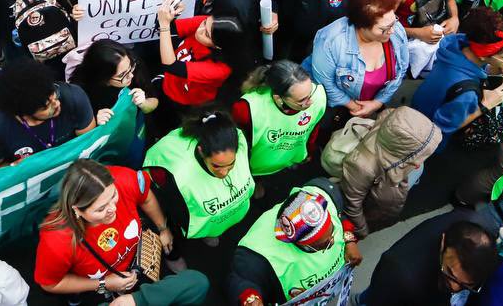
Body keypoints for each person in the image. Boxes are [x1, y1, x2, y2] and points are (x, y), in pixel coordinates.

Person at [34, 160, 208, 306]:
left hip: (138, 260)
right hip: (98, 284)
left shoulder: (123, 178)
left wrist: (163, 228)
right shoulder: (56, 239)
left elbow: (145, 196)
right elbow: (50, 284)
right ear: (77, 210)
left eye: (114, 196)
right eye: (101, 208)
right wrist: (103, 284)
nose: (113, 209)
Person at [228, 182, 360, 306]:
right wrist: (251, 298)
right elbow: (241, 280)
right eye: (324, 244)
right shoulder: (258, 255)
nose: (333, 241)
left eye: (332, 231)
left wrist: (349, 240)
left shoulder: (322, 199)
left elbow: (341, 217)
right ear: (302, 243)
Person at [411, 5, 503, 151]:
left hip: (418, 106)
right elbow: (443, 127)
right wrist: (485, 105)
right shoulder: (467, 94)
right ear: (483, 56)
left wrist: (500, 66)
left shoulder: (457, 47)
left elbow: (476, 63)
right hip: (424, 139)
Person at [144, 109, 256, 244]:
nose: (224, 173)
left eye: (230, 164)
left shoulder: (240, 142)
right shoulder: (179, 172)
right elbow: (176, 208)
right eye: (216, 166)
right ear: (201, 152)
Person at [336, 106, 441, 234]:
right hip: (372, 203)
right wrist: (361, 230)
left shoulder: (390, 121)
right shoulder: (362, 166)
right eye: (420, 155)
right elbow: (352, 205)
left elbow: (388, 111)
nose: (419, 162)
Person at [307, 0, 409, 118]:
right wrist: (354, 107)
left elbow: (401, 70)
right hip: (339, 108)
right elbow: (325, 83)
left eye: (394, 21)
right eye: (384, 29)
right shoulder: (330, 40)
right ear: (361, 26)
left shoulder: (395, 30)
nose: (393, 31)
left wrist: (377, 103)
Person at [0, 59, 96, 170]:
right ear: (23, 114)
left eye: (54, 93)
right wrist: (15, 169)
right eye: (46, 106)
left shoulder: (73, 98)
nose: (56, 104)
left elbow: (89, 143)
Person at [361, 212, 498, 306]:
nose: (455, 288)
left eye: (466, 285)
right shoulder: (400, 275)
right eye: (450, 273)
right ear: (443, 242)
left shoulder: (475, 224)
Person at [156, 1, 255, 113]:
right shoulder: (211, 24)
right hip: (170, 80)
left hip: (185, 99)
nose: (199, 30)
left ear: (218, 46)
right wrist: (171, 13)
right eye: (204, 22)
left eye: (207, 35)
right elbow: (170, 27)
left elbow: (171, 65)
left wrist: (164, 25)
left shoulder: (219, 69)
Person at [232, 61, 327, 178]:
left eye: (310, 93)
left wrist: (309, 150)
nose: (311, 101)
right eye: (301, 100)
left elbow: (313, 128)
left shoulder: (318, 97)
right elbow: (239, 143)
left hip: (292, 159)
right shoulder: (248, 108)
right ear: (279, 98)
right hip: (258, 167)